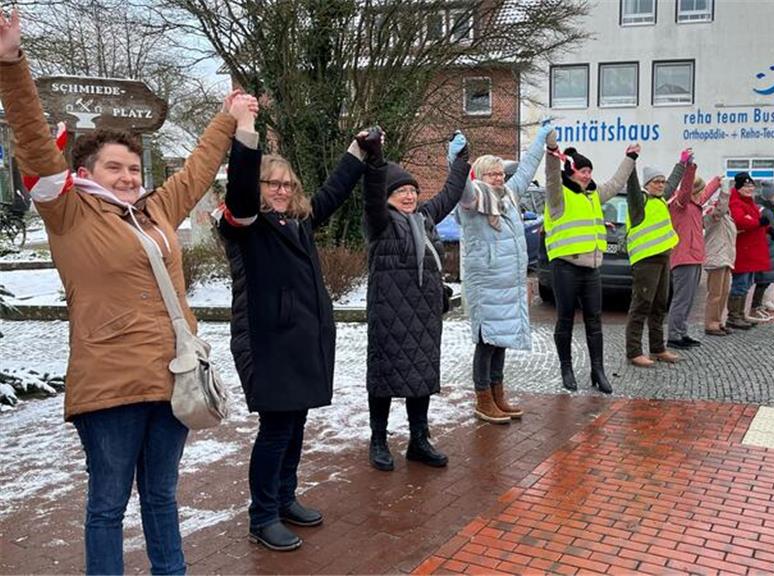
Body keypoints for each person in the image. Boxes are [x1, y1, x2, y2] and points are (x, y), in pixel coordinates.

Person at [0, 9, 243, 574]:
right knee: (108, 506)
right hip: (109, 385)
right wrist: (11, 65)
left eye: (134, 167)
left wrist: (227, 118)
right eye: (116, 167)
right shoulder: (68, 212)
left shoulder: (154, 210)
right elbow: (36, 144)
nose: (129, 177)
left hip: (172, 378)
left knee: (162, 497)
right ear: (86, 171)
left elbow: (200, 169)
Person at [217, 113, 374, 550]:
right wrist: (245, 134)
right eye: (273, 184)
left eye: (287, 184)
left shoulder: (298, 222)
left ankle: (285, 498)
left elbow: (332, 194)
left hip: (301, 343)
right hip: (268, 344)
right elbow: (241, 190)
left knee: (295, 424)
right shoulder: (245, 223)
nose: (282, 190)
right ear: (259, 188)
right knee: (275, 430)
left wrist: (357, 152)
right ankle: (261, 515)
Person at [362, 129, 471, 471]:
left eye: (412, 191)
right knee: (383, 377)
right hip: (389, 315)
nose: (408, 196)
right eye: (401, 191)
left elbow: (451, 194)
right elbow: (370, 195)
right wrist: (376, 160)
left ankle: (418, 440)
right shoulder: (379, 223)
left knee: (421, 376)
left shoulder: (424, 219)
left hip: (424, 316)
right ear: (388, 195)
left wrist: (461, 160)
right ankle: (378, 440)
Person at [459, 121, 552, 423]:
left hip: (507, 285)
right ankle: (483, 398)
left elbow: (525, 170)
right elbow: (459, 185)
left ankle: (498, 395)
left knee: (500, 341)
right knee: (486, 343)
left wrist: (539, 140)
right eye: (492, 173)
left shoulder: (509, 196)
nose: (498, 177)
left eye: (500, 173)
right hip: (486, 285)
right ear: (480, 176)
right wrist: (457, 159)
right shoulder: (472, 200)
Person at [543, 131, 636, 393]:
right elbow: (551, 175)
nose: (588, 175)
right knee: (565, 320)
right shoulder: (558, 194)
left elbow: (617, 183)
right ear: (572, 172)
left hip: (592, 270)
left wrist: (630, 157)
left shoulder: (594, 194)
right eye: (583, 171)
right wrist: (552, 149)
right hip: (566, 267)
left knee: (595, 320)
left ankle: (598, 370)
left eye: (590, 171)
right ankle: (566, 368)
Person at [623, 161, 681, 367]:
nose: (661, 185)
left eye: (662, 182)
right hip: (646, 261)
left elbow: (673, 183)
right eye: (656, 182)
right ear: (647, 184)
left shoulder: (661, 200)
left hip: (663, 259)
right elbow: (631, 188)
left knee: (659, 305)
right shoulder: (641, 202)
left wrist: (682, 163)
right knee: (641, 305)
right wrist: (631, 161)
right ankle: (634, 351)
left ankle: (657, 348)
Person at [666, 149, 720, 349]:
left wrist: (717, 181)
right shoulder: (679, 204)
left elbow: (703, 194)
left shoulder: (694, 205)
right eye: (700, 191)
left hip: (695, 257)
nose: (701, 196)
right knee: (681, 299)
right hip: (683, 258)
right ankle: (673, 335)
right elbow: (686, 190)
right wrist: (689, 167)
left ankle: (681, 331)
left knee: (688, 300)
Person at [727, 172, 771, 330]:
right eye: (745, 186)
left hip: (751, 251)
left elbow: (753, 220)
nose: (749, 188)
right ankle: (733, 316)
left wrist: (767, 228)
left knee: (746, 284)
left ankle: (740, 314)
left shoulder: (748, 201)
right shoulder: (736, 202)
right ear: (738, 187)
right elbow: (740, 221)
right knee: (740, 284)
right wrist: (759, 223)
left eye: (751, 185)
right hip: (743, 251)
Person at [701, 173, 734, 336]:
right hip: (716, 257)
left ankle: (719, 320)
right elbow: (720, 209)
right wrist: (725, 190)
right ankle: (711, 323)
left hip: (725, 257)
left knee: (724, 292)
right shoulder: (711, 212)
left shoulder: (727, 217)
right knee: (715, 293)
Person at [750, 181, 774, 322]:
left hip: (770, 248)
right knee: (762, 280)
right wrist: (770, 236)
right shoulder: (763, 209)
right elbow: (761, 230)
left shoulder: (769, 208)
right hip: (766, 249)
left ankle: (758, 306)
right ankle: (755, 307)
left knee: (765, 281)